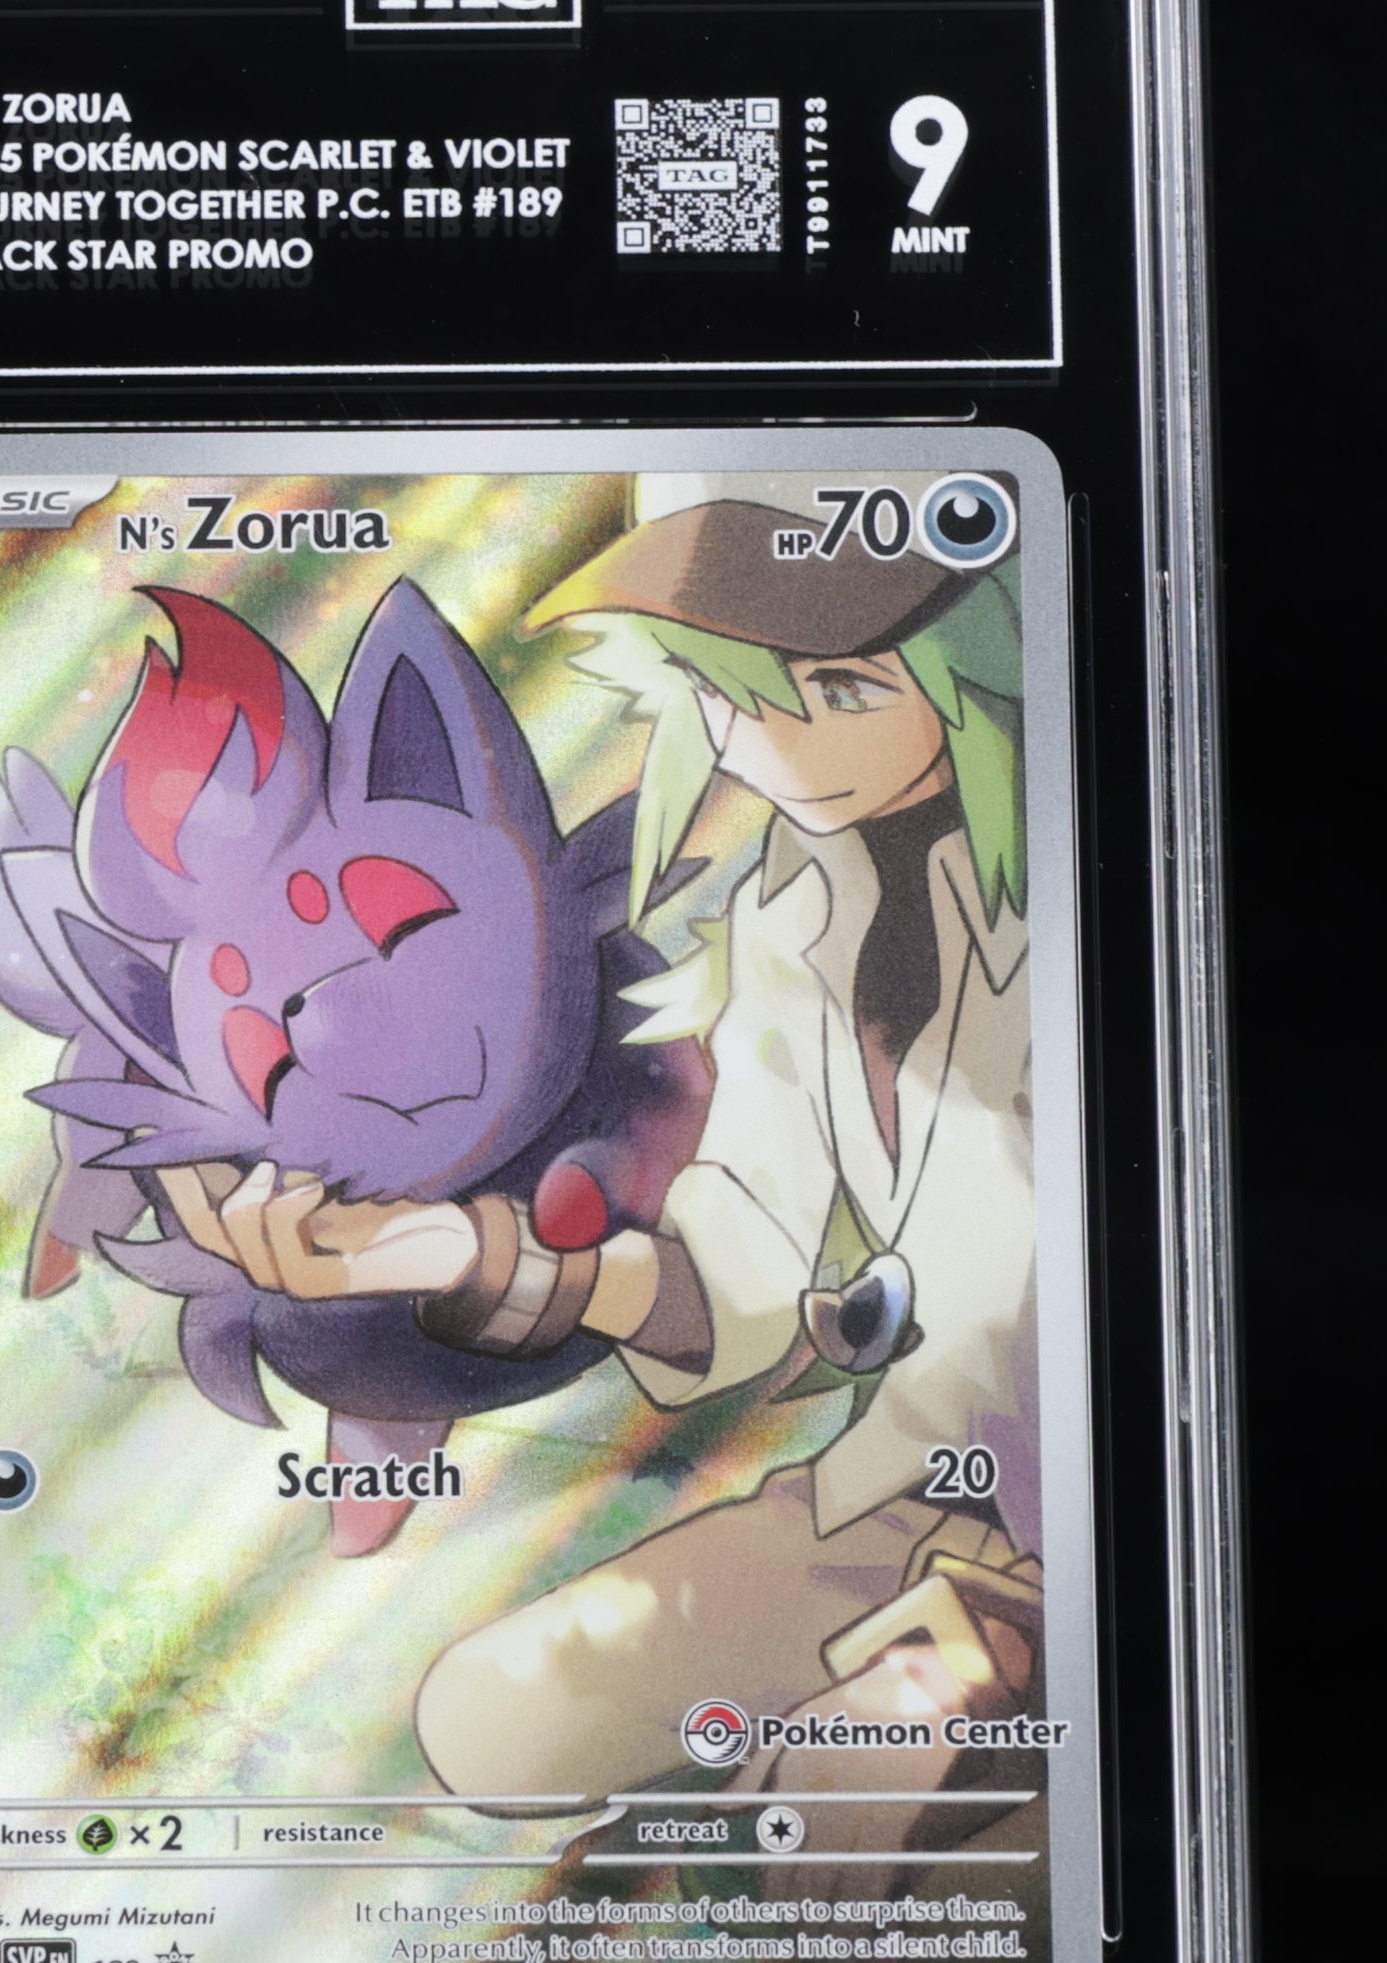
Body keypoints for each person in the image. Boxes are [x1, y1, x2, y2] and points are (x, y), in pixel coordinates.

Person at [160, 479, 1046, 1857]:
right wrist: (458, 1257)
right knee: (491, 1723)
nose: (780, 741)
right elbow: (738, 1275)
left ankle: (972, 1720)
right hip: (915, 1494)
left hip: (1098, 1501)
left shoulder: (1070, 901)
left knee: (836, 1834)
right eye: (737, 693)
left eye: (844, 689)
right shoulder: (792, 921)